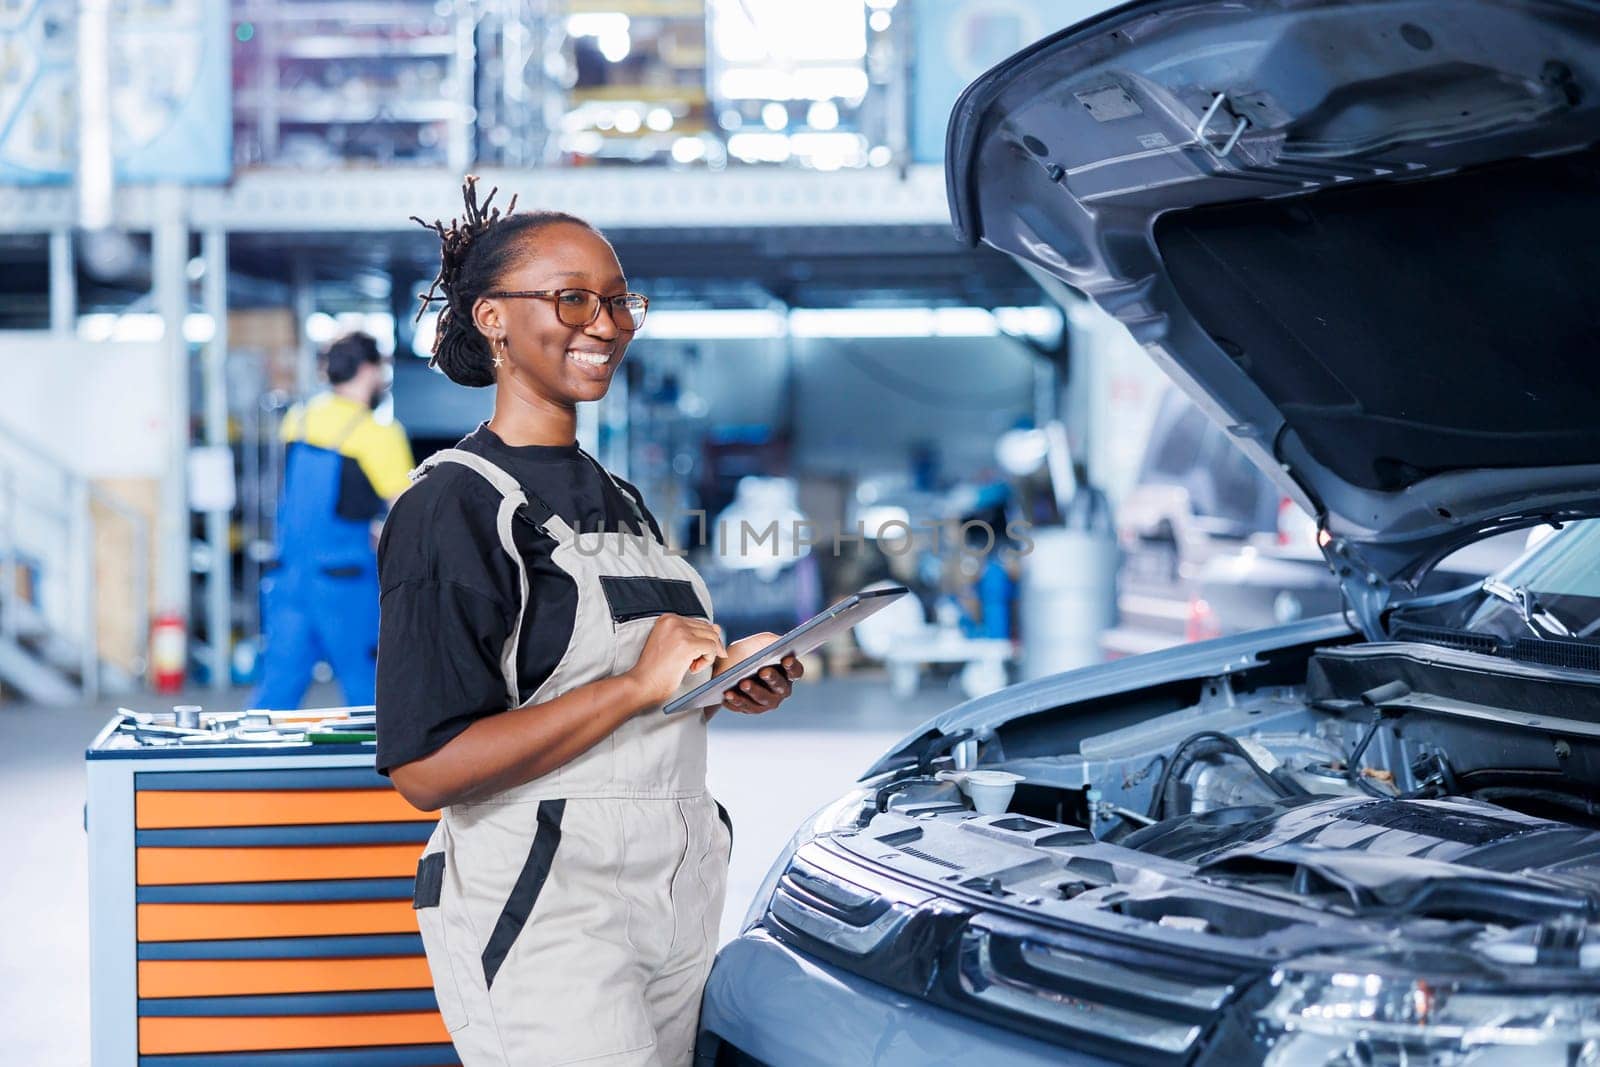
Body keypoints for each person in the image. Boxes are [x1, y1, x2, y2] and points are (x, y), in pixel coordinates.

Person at [378, 178, 804, 1067]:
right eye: (573, 298)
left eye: (618, 301)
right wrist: (639, 685)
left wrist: (722, 677)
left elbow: (631, 687)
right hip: (548, 908)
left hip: (674, 888)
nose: (606, 323)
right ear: (493, 318)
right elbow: (428, 766)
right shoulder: (454, 504)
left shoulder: (621, 498)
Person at [252, 331, 413, 709]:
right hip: (345, 586)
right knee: (370, 692)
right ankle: (384, 769)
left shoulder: (298, 419)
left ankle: (252, 765)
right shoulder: (379, 434)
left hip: (287, 580)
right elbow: (406, 514)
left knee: (276, 691)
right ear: (369, 370)